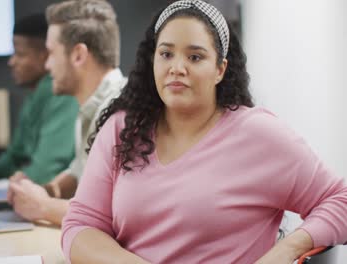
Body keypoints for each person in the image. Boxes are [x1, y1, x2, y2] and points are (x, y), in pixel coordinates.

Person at [61, 1, 347, 263]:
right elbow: (82, 224)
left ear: (220, 69)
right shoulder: (123, 128)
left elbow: (340, 200)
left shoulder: (259, 134)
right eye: (166, 54)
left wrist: (288, 249)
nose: (177, 68)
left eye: (195, 57)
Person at [6, 0, 127, 226]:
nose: (48, 65)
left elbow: (113, 215)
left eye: (51, 53)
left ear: (78, 55)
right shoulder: (91, 107)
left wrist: (42, 205)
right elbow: (79, 169)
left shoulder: (121, 115)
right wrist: (44, 190)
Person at [0, 13, 78, 184]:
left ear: (46, 56)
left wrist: (12, 189)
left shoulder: (63, 96)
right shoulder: (35, 95)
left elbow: (46, 168)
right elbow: (16, 154)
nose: (12, 62)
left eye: (20, 54)